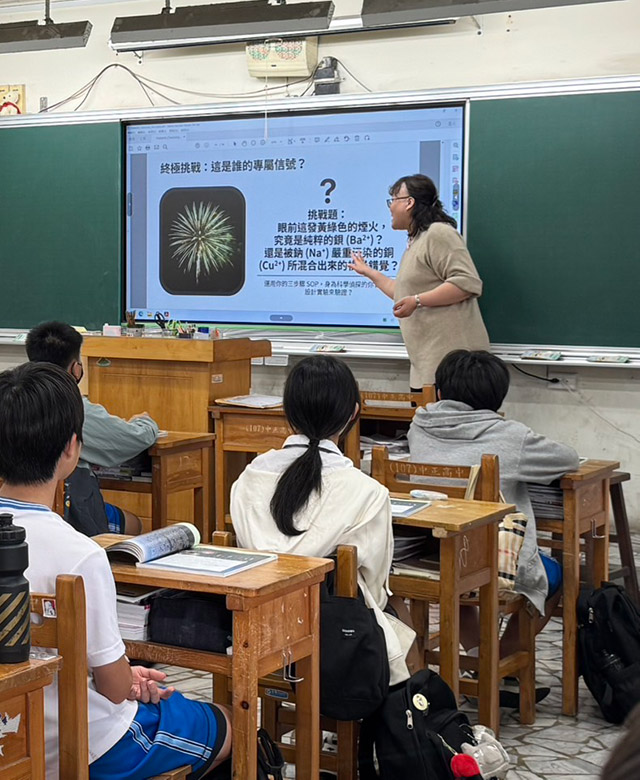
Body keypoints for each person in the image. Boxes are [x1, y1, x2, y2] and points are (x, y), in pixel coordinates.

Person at [0, 362, 230, 780]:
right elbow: (113, 691)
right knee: (224, 724)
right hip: (84, 746)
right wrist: (126, 677)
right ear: (72, 448)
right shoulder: (81, 555)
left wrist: (123, 675)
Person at [229, 355, 417, 684]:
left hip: (257, 631)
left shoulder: (249, 477)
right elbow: (375, 588)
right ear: (354, 414)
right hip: (337, 645)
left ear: (287, 414)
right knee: (399, 619)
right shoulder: (368, 492)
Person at [409, 349, 577, 688]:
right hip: (490, 561)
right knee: (560, 575)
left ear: (439, 392)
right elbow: (569, 459)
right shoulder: (511, 436)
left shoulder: (419, 426)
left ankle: (477, 659)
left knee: (461, 575)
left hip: (431, 556)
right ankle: (496, 664)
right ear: (497, 398)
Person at [349, 174, 490, 388]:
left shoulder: (439, 233)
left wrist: (417, 300)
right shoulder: (416, 241)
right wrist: (369, 272)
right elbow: (403, 294)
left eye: (393, 200)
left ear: (409, 202)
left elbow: (466, 282)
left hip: (454, 367)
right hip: (425, 364)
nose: (390, 208)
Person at [25, 321, 149, 535]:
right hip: (67, 507)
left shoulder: (14, 397)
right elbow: (133, 439)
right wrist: (145, 422)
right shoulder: (74, 406)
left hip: (16, 504)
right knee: (134, 524)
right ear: (75, 368)